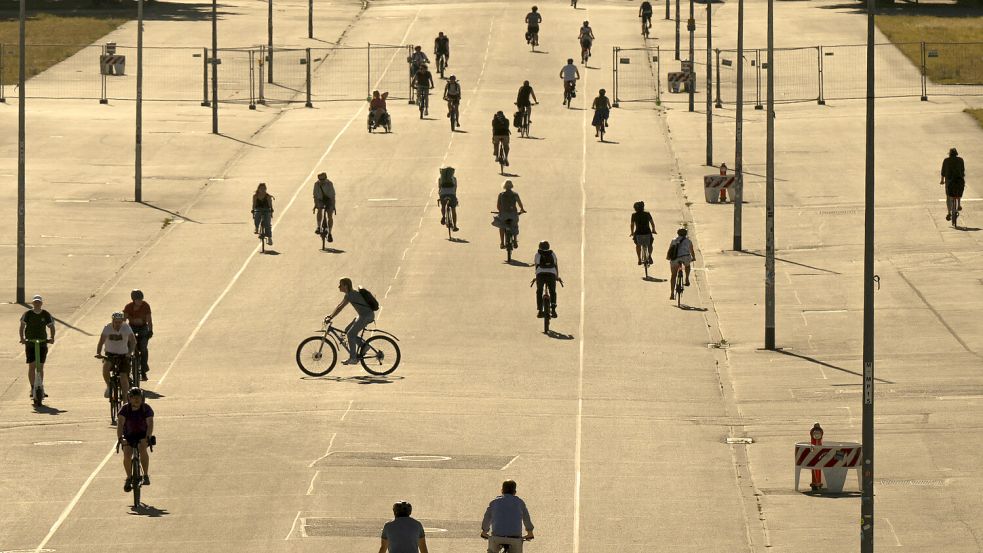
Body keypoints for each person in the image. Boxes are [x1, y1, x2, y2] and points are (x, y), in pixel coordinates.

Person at [325, 278, 375, 365]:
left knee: (350, 334)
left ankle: (353, 358)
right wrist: (330, 316)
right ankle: (364, 346)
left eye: (340, 285)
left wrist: (331, 317)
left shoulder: (351, 295)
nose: (339, 287)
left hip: (366, 316)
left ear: (345, 286)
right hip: (363, 315)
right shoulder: (349, 294)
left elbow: (340, 308)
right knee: (348, 330)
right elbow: (339, 306)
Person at [480, 480, 535, 553]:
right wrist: (530, 532)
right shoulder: (520, 502)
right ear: (515, 492)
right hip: (515, 539)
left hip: (497, 537)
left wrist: (484, 531)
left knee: (492, 551)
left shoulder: (494, 502)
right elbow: (526, 519)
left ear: (502, 490)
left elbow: (487, 518)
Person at [118, 387, 154, 492]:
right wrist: (120, 438)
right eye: (133, 398)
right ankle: (129, 478)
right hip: (129, 435)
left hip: (143, 434)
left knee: (142, 448)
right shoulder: (125, 409)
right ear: (129, 399)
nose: (136, 400)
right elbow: (120, 424)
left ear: (142, 398)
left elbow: (150, 423)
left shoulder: (146, 408)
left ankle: (146, 475)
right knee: (127, 454)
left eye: (139, 397)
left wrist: (148, 436)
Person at [19, 295, 55, 399]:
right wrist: (22, 338)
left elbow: (51, 326)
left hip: (42, 342)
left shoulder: (46, 314)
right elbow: (22, 326)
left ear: (41, 303)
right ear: (33, 303)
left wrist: (52, 337)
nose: (37, 304)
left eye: (39, 302)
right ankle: (32, 387)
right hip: (30, 342)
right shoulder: (28, 314)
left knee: (40, 366)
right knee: (32, 365)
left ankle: (40, 387)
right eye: (35, 302)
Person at [97, 312, 136, 398]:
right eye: (116, 322)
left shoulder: (126, 328)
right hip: (110, 354)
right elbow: (101, 341)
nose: (118, 324)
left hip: (123, 355)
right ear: (112, 321)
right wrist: (98, 353)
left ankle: (125, 399)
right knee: (106, 368)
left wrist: (129, 353)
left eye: (120, 322)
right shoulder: (107, 328)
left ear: (122, 321)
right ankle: (109, 386)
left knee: (123, 376)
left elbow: (133, 341)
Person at [124, 289, 153, 381]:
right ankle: (127, 372)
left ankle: (143, 371)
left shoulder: (145, 306)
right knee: (128, 349)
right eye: (138, 299)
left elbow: (149, 320)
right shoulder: (128, 307)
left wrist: (150, 331)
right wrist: (123, 330)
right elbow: (123, 320)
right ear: (133, 300)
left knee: (143, 349)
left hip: (143, 328)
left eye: (141, 299)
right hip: (131, 328)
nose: (140, 301)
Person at [534, 241, 562, 318]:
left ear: (539, 247)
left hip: (540, 275)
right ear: (548, 247)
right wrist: (556, 276)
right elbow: (556, 265)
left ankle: (540, 311)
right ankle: (553, 310)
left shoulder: (538, 254)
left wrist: (536, 277)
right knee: (552, 291)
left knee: (539, 291)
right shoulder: (552, 254)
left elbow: (536, 266)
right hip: (551, 274)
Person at [496, 180, 526, 249]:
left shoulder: (501, 194)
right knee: (515, 226)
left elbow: (498, 206)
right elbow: (520, 204)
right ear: (512, 186)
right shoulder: (515, 194)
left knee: (501, 226)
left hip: (504, 215)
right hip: (513, 214)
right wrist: (522, 209)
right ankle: (515, 241)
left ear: (504, 186)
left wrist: (501, 211)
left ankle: (502, 243)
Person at [668, 228, 695, 300]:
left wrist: (668, 257)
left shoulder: (674, 240)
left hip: (675, 259)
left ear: (678, 233)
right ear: (686, 234)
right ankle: (686, 279)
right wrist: (694, 257)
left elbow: (670, 250)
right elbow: (691, 250)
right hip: (685, 257)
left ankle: (672, 294)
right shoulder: (688, 241)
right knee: (687, 265)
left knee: (673, 275)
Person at [940, 147, 965, 223]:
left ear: (949, 154)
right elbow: (962, 170)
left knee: (948, 196)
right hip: (959, 180)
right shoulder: (960, 160)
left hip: (949, 182)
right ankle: (959, 204)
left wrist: (942, 180)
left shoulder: (946, 160)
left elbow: (943, 172)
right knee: (959, 190)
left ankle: (949, 213)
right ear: (956, 154)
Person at [313, 172, 336, 241]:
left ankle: (330, 233)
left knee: (330, 216)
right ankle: (318, 227)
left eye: (323, 180)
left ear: (326, 178)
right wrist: (316, 205)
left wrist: (333, 206)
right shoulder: (316, 184)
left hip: (329, 200)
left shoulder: (330, 184)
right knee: (319, 210)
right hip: (320, 200)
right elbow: (315, 196)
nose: (322, 181)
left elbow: (332, 196)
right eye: (320, 180)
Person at [251, 182, 274, 246]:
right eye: (261, 189)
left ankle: (269, 238)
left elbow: (270, 205)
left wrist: (271, 211)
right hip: (258, 209)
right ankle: (256, 227)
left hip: (266, 210)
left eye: (264, 189)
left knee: (268, 224)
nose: (262, 190)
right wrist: (253, 210)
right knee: (257, 215)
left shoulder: (268, 196)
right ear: (258, 189)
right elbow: (254, 204)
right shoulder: (255, 196)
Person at [438, 166, 459, 232]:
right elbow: (455, 188)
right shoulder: (454, 178)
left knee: (443, 205)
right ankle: (455, 226)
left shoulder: (440, 179)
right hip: (452, 194)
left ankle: (444, 217)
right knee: (453, 209)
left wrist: (440, 197)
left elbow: (439, 188)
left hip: (443, 194)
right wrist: (454, 196)